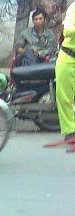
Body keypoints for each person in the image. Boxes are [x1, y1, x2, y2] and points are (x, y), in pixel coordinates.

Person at [47, 0, 75, 149]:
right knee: (64, 96)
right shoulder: (73, 8)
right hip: (68, 57)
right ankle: (70, 133)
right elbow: (68, 31)